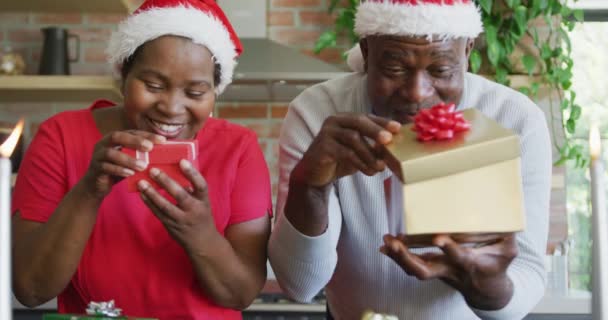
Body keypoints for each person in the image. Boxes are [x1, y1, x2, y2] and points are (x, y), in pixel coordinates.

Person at [268, 0, 552, 319]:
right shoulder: (319, 113)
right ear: (366, 50)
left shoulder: (513, 119)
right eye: (394, 68)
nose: (417, 92)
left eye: (441, 70)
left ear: (467, 51)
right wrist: (309, 186)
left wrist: (485, 282)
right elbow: (301, 285)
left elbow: (525, 282)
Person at [11, 0, 272, 319]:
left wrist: (199, 233)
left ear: (215, 92)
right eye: (153, 86)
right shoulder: (61, 136)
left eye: (195, 93)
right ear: (123, 75)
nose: (172, 108)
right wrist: (89, 190)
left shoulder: (239, 148)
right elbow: (31, 289)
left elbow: (241, 295)